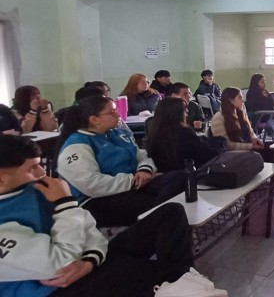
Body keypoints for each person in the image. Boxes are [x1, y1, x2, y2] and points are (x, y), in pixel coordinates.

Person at [0, 135, 217, 297]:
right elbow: (60, 264)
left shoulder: (36, 190)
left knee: (170, 213)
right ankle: (180, 285)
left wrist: (91, 260)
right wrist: (65, 204)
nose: (42, 173)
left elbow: (88, 226)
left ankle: (181, 284)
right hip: (55, 289)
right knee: (154, 274)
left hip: (87, 261)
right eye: (32, 168)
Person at [57, 95, 184, 227]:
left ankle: (157, 218)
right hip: (98, 200)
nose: (118, 115)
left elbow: (142, 155)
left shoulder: (116, 134)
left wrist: (145, 170)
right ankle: (156, 222)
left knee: (181, 178)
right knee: (158, 203)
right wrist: (133, 181)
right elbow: (92, 184)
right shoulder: (77, 145)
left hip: (133, 185)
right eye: (112, 112)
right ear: (94, 119)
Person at [145, 98, 219, 173]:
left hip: (166, 174)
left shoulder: (154, 134)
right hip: (189, 175)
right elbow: (206, 153)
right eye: (184, 110)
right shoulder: (184, 134)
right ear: (176, 113)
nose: (187, 111)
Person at [209, 87, 264, 151]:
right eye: (240, 98)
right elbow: (226, 145)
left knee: (270, 148)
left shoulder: (241, 113)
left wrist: (254, 138)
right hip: (232, 153)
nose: (243, 100)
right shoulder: (218, 118)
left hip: (247, 148)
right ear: (231, 100)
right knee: (257, 155)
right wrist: (250, 146)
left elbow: (250, 131)